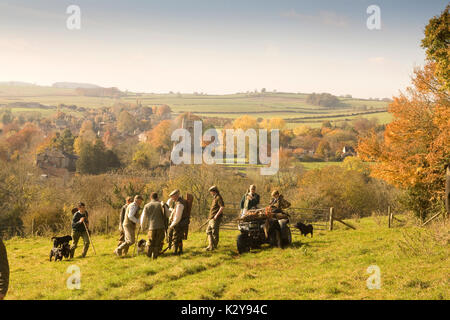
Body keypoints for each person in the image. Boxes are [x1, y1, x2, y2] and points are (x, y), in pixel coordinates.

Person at [140, 192, 169, 259]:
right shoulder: (161, 204)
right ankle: (155, 257)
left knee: (150, 242)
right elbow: (168, 215)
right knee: (158, 243)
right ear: (157, 197)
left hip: (151, 227)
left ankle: (148, 256)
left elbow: (143, 218)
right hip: (161, 227)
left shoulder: (147, 206)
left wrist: (143, 227)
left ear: (151, 198)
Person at [166, 189, 189, 255]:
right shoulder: (180, 202)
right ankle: (180, 251)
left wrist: (172, 225)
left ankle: (175, 252)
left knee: (175, 238)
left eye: (172, 196)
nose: (171, 198)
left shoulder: (179, 204)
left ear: (176, 196)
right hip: (181, 223)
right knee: (179, 238)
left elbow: (177, 218)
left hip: (179, 224)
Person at [205, 186, 225, 251]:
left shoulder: (219, 197)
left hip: (215, 218)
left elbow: (222, 207)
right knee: (208, 231)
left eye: (211, 191)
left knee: (214, 232)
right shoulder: (215, 198)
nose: (210, 193)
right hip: (211, 218)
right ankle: (210, 245)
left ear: (214, 191)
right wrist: (209, 218)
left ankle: (214, 246)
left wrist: (216, 215)